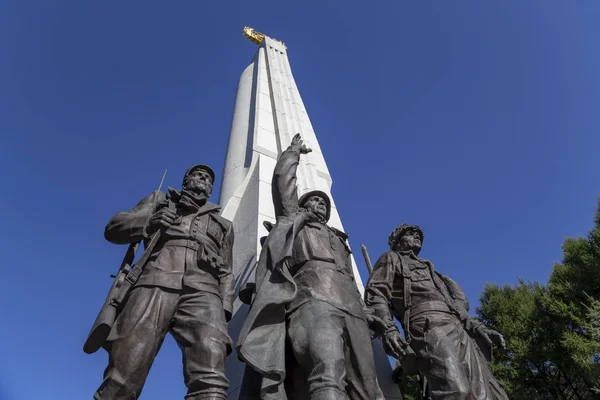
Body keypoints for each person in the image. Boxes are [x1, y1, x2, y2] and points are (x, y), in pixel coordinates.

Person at [237, 134, 384, 400]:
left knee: (368, 384)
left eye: (324, 203)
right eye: (314, 201)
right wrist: (292, 154)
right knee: (327, 370)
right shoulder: (296, 222)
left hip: (351, 307)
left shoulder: (339, 240)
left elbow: (350, 277)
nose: (320, 205)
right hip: (313, 299)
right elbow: (283, 183)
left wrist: (365, 309)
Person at [93, 165, 234, 400]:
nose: (203, 179)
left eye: (208, 178)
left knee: (211, 376)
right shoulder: (160, 201)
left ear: (211, 189)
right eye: (197, 175)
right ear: (186, 180)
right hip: (153, 282)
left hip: (204, 292)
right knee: (126, 371)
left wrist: (224, 308)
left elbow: (227, 269)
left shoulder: (224, 225)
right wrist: (149, 222)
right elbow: (114, 228)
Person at [365, 224, 508, 399]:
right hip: (428, 326)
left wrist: (479, 329)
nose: (416, 235)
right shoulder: (391, 258)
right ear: (397, 240)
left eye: (418, 234)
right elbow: (376, 293)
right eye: (410, 233)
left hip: (458, 328)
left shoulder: (431, 270)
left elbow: (456, 308)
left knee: (485, 394)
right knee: (455, 389)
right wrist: (389, 329)